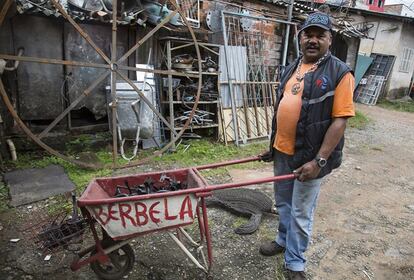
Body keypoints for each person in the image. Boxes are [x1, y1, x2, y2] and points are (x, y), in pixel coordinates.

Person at [259, 12, 355, 280]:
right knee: (283, 203)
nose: (313, 40)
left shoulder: (340, 73)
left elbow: (339, 122)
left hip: (310, 158)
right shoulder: (291, 67)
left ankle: (296, 263)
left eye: (319, 35)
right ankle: (282, 240)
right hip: (283, 151)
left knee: (301, 212)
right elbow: (283, 109)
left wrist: (319, 161)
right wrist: (274, 146)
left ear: (329, 39)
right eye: (308, 35)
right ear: (300, 38)